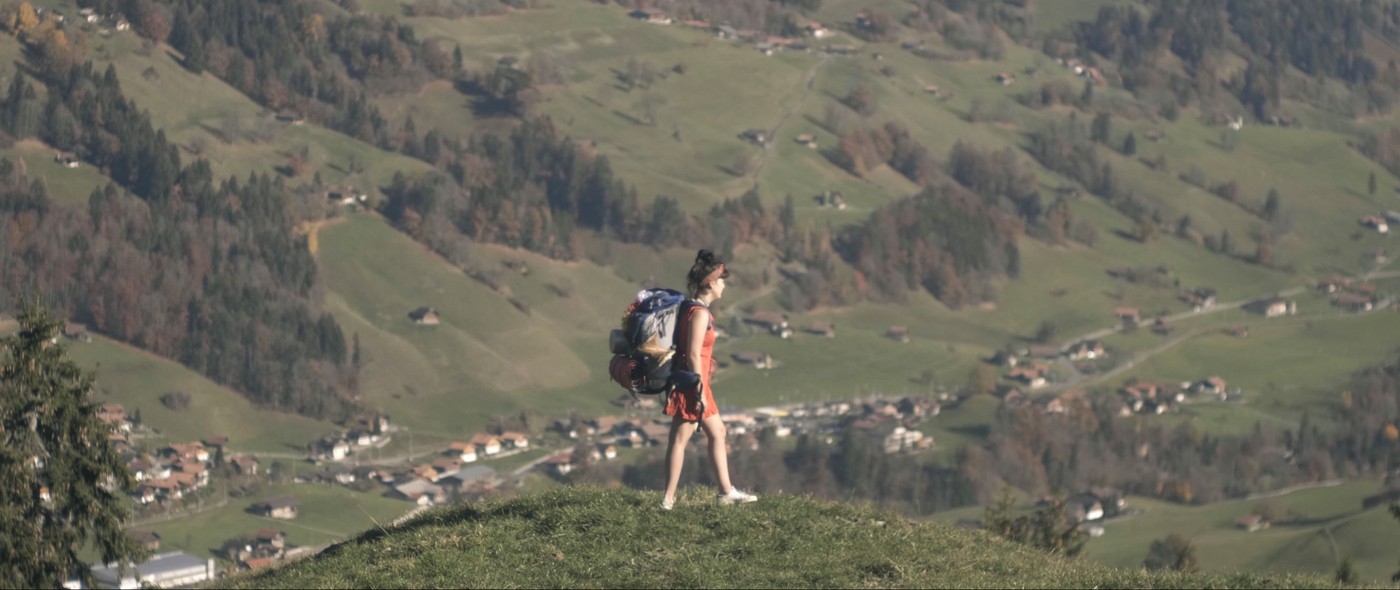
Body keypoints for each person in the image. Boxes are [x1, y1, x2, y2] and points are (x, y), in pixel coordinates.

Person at [660, 250, 758, 510]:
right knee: (680, 440)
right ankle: (668, 499)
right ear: (712, 283)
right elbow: (693, 353)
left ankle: (725, 491)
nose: (724, 285)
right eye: (722, 280)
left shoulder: (689, 308)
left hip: (693, 382)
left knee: (716, 432)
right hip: (694, 384)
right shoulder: (700, 313)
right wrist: (699, 390)